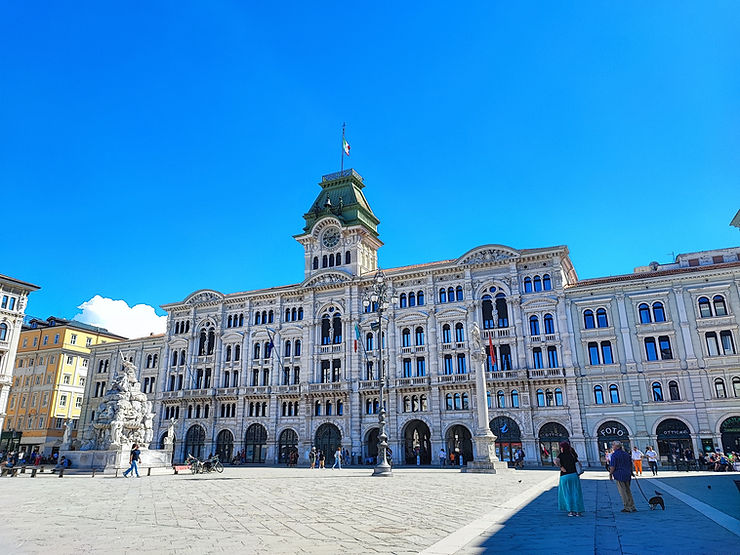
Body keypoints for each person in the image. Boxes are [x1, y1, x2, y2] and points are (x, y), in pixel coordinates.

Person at [555, 441, 584, 517]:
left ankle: (571, 511)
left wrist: (561, 467)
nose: (560, 449)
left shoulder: (561, 455)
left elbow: (556, 461)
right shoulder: (572, 454)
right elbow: (579, 463)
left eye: (561, 447)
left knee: (567, 494)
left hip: (565, 476)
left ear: (563, 448)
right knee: (576, 493)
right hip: (574, 475)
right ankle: (578, 511)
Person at [609, 441, 636, 512]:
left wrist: (610, 474)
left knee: (622, 491)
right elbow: (631, 464)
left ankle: (627, 507)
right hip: (627, 474)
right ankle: (632, 506)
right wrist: (631, 472)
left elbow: (612, 466)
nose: (612, 446)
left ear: (617, 447)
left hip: (619, 474)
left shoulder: (614, 455)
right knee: (628, 490)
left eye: (613, 445)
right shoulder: (626, 454)